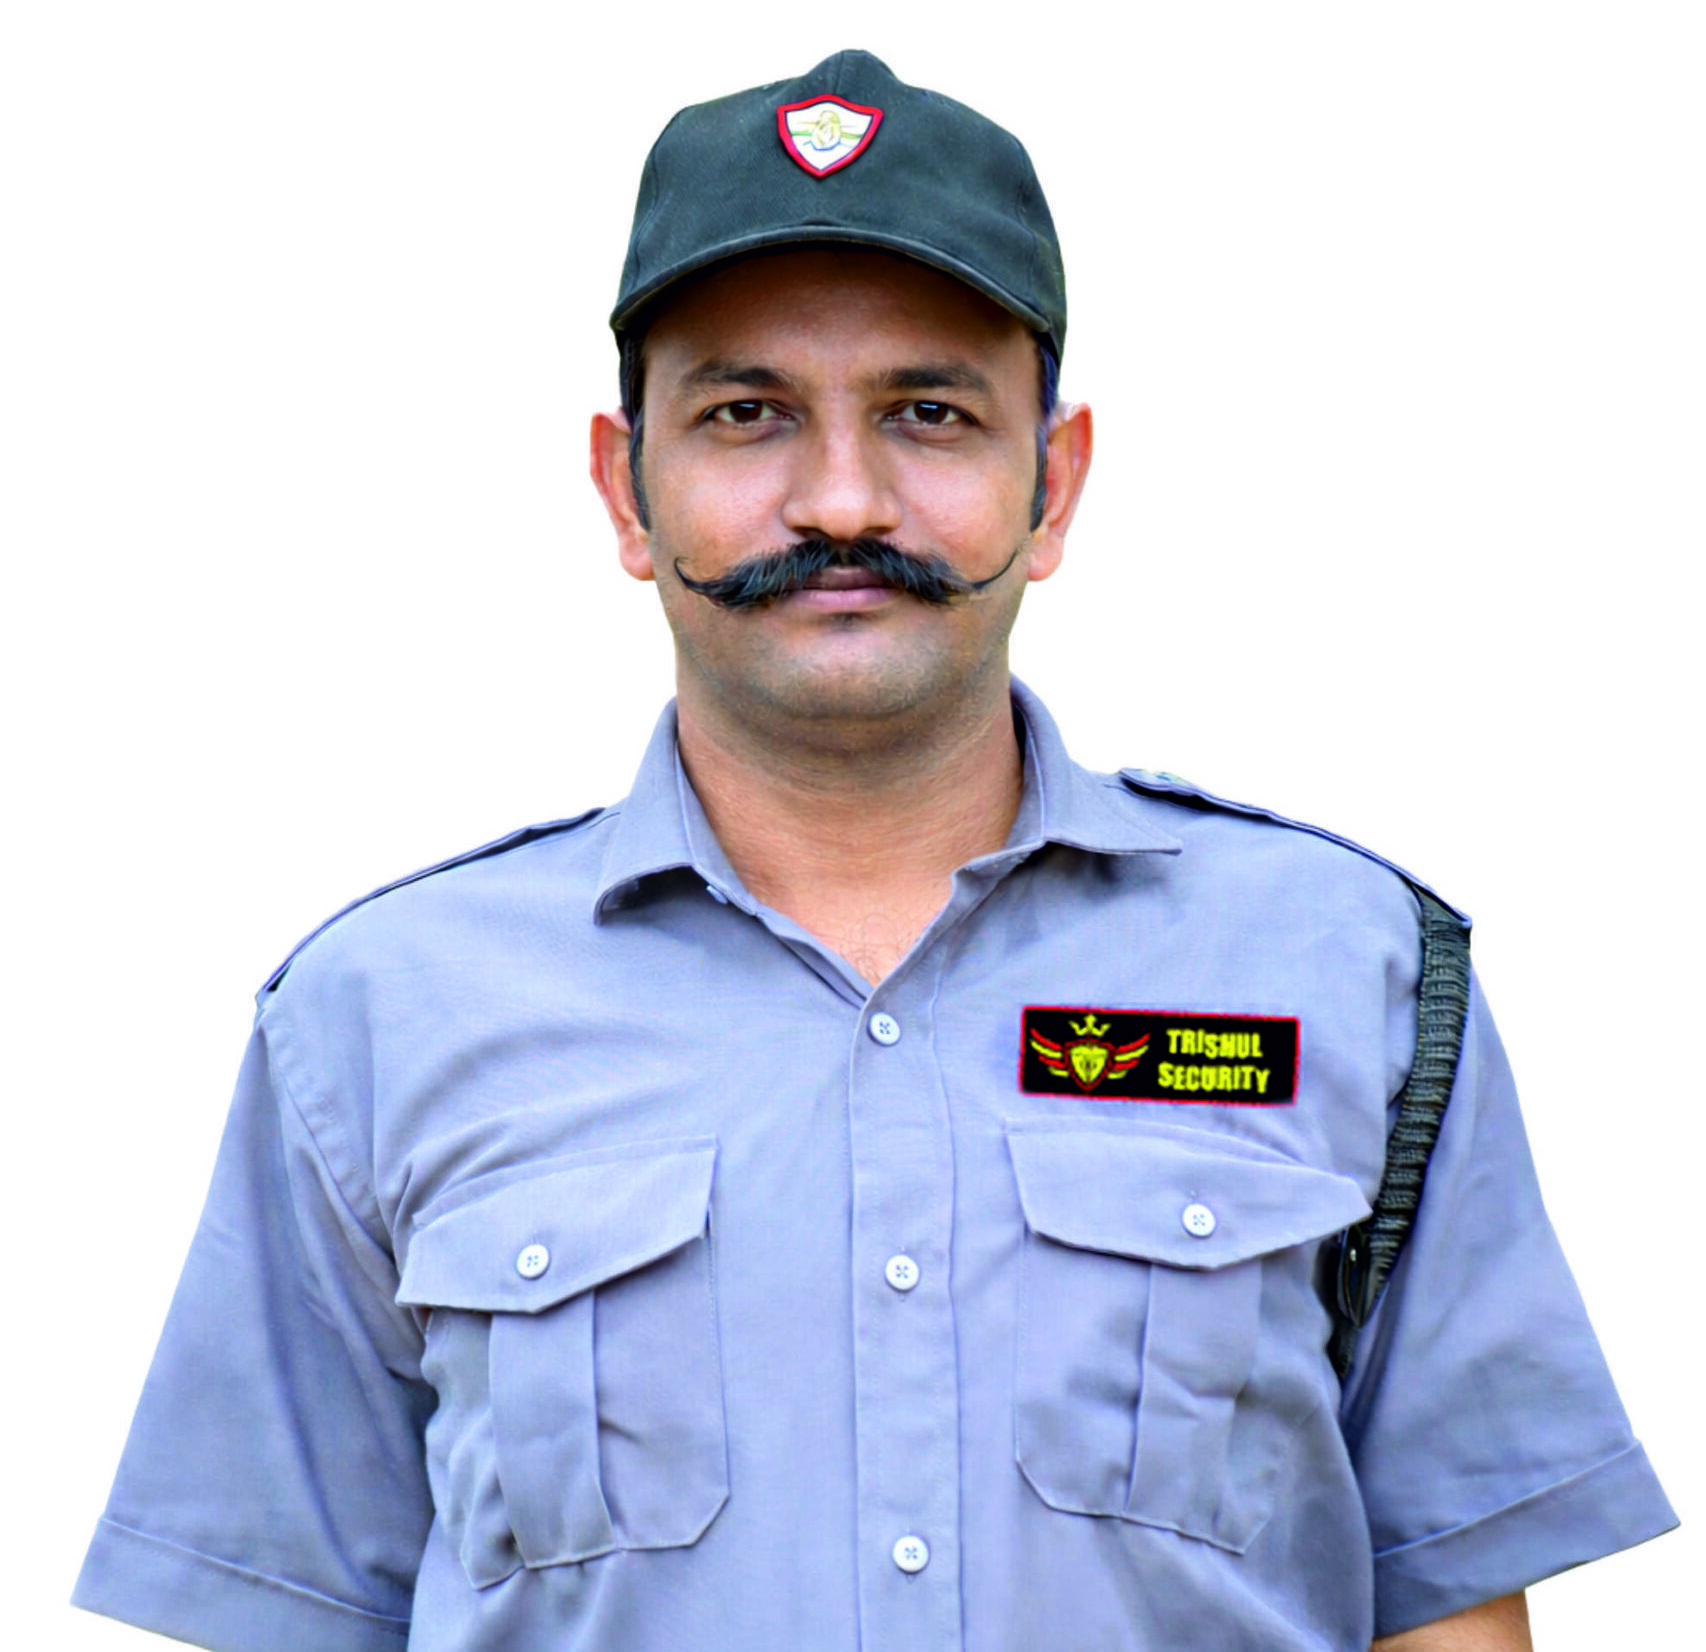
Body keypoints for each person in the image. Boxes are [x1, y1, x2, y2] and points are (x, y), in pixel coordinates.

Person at [72, 48, 1675, 1652]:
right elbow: (279, 1611)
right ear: (625, 490)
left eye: (927, 412)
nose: (841, 499)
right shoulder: (378, 1013)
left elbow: (1449, 1610)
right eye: (746, 414)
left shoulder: (1346, 970)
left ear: (1051, 483)